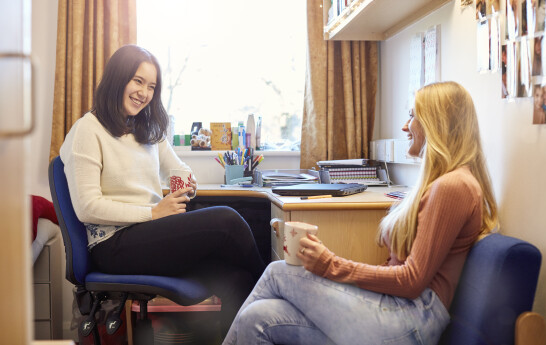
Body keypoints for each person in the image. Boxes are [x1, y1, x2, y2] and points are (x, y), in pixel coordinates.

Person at [222, 81, 499, 345]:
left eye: (413, 116)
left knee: (277, 273)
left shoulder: (453, 186)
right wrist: (331, 265)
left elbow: (412, 281)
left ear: (436, 124)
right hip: (399, 312)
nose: (405, 125)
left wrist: (331, 265)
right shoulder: (443, 183)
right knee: (255, 319)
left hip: (410, 322)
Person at [59, 44, 265, 335]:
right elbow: (87, 206)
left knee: (236, 278)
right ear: (118, 78)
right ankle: (276, 296)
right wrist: (154, 212)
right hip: (113, 244)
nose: (144, 93)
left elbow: (178, 169)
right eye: (138, 81)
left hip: (148, 236)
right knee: (228, 221)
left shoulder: (147, 131)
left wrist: (187, 183)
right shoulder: (87, 130)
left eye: (151, 86)